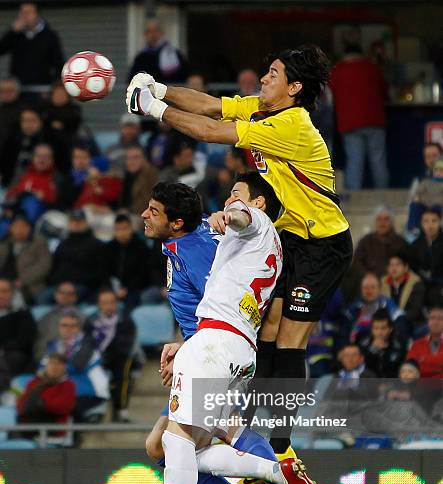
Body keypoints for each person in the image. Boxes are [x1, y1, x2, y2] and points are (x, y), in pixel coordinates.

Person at [125, 45, 353, 455]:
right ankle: (242, 432)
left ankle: (282, 447)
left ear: (294, 87)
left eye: (273, 73)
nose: (264, 78)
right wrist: (160, 88)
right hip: (288, 236)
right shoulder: (265, 111)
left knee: (288, 341)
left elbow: (212, 132)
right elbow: (212, 106)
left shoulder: (293, 126)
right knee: (265, 330)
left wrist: (152, 108)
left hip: (323, 243)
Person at [123, 179, 321, 484]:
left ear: (176, 222)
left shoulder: (209, 244)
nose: (144, 215)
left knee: (187, 439)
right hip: (223, 346)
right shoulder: (198, 243)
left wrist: (186, 346)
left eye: (154, 211)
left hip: (214, 345)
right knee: (168, 446)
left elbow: (215, 297)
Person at [329, 34, 389, 189]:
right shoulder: (372, 68)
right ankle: (383, 196)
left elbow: (329, 96)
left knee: (354, 161)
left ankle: (354, 197)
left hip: (350, 123)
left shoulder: (338, 71)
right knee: (378, 161)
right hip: (375, 121)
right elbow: (385, 92)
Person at [45, 310, 109, 421]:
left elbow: (75, 366)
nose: (68, 329)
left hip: (88, 391)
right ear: (59, 328)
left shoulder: (88, 344)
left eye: (72, 326)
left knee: (65, 407)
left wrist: (52, 368)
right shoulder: (53, 346)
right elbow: (43, 369)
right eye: (64, 325)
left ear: (79, 329)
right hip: (63, 391)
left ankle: (74, 436)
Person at [85, 289, 136, 422]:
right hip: (97, 357)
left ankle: (121, 410)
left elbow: (127, 343)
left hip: (120, 356)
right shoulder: (91, 321)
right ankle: (95, 411)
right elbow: (87, 342)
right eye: (105, 303)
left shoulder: (124, 319)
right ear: (99, 304)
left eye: (111, 302)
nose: (108, 306)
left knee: (123, 374)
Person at [42, 210, 108, 304]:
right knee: (42, 299)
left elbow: (100, 272)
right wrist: (59, 283)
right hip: (59, 285)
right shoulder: (63, 244)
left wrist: (74, 283)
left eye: (79, 221)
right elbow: (54, 268)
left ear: (86, 223)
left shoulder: (96, 244)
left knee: (65, 297)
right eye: (73, 221)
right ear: (69, 223)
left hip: (84, 285)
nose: (76, 224)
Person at [104, 213, 164, 311]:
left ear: (131, 228)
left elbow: (143, 274)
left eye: (125, 228)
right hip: (113, 289)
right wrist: (112, 289)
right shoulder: (109, 248)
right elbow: (105, 272)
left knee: (131, 305)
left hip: (135, 289)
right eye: (118, 229)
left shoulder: (141, 248)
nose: (122, 233)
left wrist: (127, 289)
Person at [0, 2, 64, 88]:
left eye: (28, 12)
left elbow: (58, 62)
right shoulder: (15, 35)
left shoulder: (50, 35)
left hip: (41, 88)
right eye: (22, 12)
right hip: (18, 89)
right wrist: (12, 32)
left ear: (37, 15)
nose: (24, 16)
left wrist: (55, 85)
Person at [16, 353, 76, 437]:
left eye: (59, 364)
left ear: (64, 367)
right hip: (29, 419)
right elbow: (21, 403)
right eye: (51, 363)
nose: (55, 367)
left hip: (54, 422)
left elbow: (64, 406)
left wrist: (43, 403)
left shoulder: (68, 385)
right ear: (46, 366)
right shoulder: (33, 383)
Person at [341, 273, 407, 346]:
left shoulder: (387, 303)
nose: (369, 291)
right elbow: (344, 329)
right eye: (365, 287)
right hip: (356, 347)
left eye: (372, 287)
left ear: (379, 289)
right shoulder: (355, 306)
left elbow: (401, 322)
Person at [0, 214, 51, 304]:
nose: (20, 230)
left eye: (23, 227)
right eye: (16, 227)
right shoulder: (4, 243)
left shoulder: (39, 242)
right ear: (10, 228)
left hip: (29, 285)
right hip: (3, 284)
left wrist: (23, 280)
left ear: (29, 228)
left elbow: (44, 265)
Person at [4, 143, 60, 223]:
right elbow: (9, 194)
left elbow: (58, 203)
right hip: (15, 211)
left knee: (32, 202)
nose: (42, 160)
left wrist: (44, 197)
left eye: (46, 157)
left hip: (41, 216)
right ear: (33, 157)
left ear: (52, 160)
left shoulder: (57, 178)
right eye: (38, 156)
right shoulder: (23, 172)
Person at [0, 277, 36, 392]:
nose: (1, 295)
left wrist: (2, 349)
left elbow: (24, 342)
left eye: (5, 291)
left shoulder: (23, 315)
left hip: (14, 356)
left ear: (13, 293)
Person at [352, 207, 407, 279]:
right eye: (379, 219)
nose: (382, 223)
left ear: (391, 222)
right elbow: (357, 264)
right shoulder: (365, 242)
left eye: (386, 219)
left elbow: (406, 265)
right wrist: (368, 276)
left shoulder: (400, 242)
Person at [34, 281, 82, 361]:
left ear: (75, 297)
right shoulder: (45, 317)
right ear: (56, 295)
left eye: (70, 294)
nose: (65, 296)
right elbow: (38, 339)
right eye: (62, 292)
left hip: (67, 359)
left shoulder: (81, 317)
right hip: (43, 358)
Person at [408, 209, 443, 307]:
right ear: (421, 223)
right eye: (426, 221)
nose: (430, 225)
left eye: (434, 221)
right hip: (421, 287)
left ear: (440, 222)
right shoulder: (414, 246)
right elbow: (412, 269)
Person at [381, 253, 425, 331]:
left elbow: (415, 311)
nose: (394, 268)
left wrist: (398, 317)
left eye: (398, 264)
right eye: (391, 265)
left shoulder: (416, 284)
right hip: (387, 323)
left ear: (406, 267)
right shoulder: (382, 283)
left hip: (411, 323)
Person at [357, 308, 405, 378]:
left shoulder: (398, 347)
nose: (379, 332)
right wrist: (373, 349)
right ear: (372, 329)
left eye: (383, 328)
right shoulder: (363, 345)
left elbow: (398, 372)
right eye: (376, 328)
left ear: (390, 329)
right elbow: (362, 369)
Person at [117, 146, 158, 218]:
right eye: (129, 158)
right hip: (124, 213)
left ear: (144, 159)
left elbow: (149, 201)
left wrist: (128, 210)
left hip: (143, 216)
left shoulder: (150, 174)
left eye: (136, 158)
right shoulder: (126, 175)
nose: (132, 162)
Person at [407, 307, 443, 378]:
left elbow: (420, 368)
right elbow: (410, 369)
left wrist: (424, 361)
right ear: (428, 322)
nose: (435, 322)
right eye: (432, 318)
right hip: (421, 386)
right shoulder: (416, 345)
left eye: (440, 319)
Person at [0, 78, 24, 155]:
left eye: (10, 90)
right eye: (2, 90)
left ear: (18, 91)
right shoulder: (1, 108)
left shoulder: (25, 111)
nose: (6, 93)